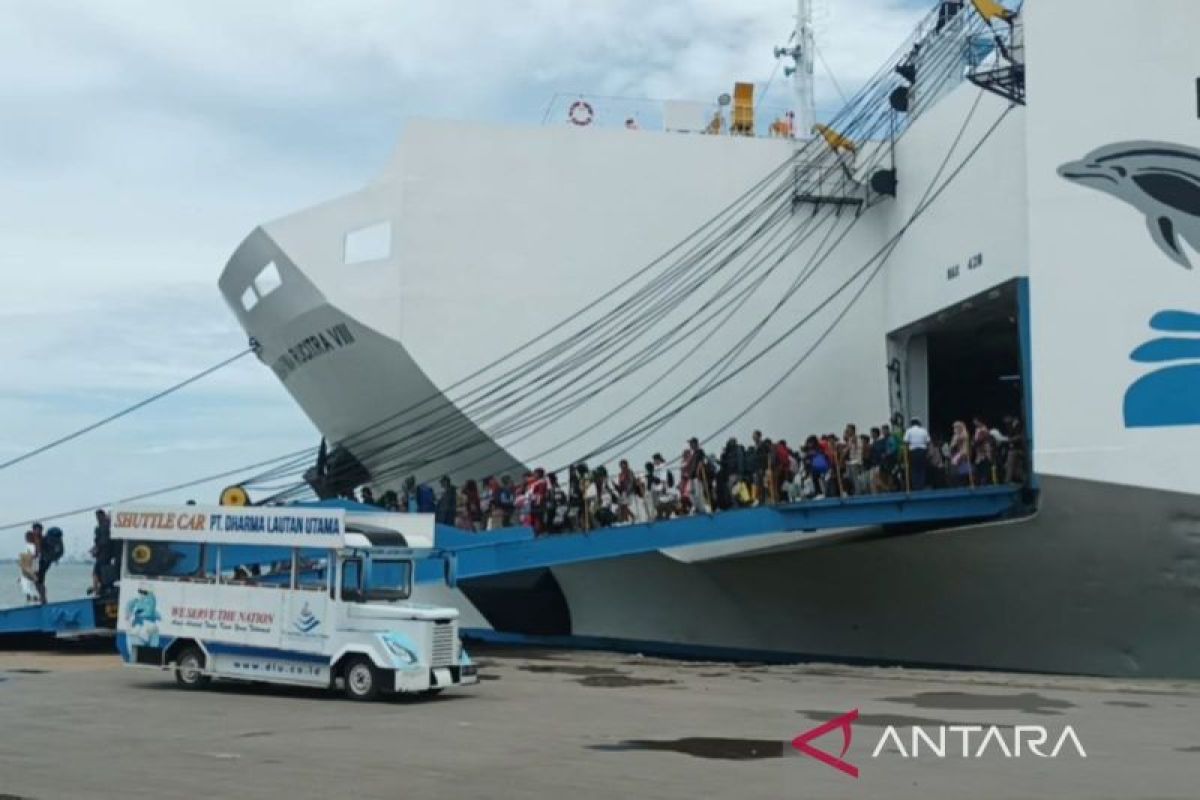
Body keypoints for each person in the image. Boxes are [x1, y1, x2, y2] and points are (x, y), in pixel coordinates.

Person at [904, 418, 931, 490]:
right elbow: (928, 442)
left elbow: (906, 442)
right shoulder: (924, 430)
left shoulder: (909, 431)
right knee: (922, 469)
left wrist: (906, 454)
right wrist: (927, 452)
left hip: (913, 452)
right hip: (922, 451)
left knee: (914, 470)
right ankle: (921, 485)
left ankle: (916, 487)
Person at [18, 530, 39, 604]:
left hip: (29, 568)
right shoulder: (32, 546)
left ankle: (33, 600)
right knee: (27, 586)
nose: (26, 538)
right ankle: (30, 601)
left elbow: (32, 557)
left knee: (27, 586)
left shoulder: (31, 546)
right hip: (29, 568)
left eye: (26, 537)